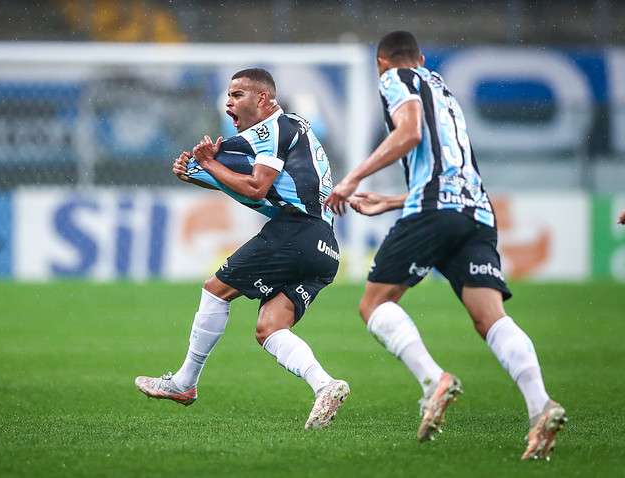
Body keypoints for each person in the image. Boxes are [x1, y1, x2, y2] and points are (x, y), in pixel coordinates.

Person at [325, 31, 566, 460]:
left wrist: (353, 178)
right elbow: (450, 166)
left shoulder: (396, 78)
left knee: (375, 302)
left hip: (435, 209)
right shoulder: (444, 89)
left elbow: (411, 133)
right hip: (477, 211)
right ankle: (540, 405)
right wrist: (394, 200)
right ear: (420, 57)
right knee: (490, 317)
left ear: (383, 62)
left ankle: (433, 380)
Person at [135, 68, 349, 430]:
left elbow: (256, 189)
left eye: (237, 95)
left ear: (262, 99)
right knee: (270, 328)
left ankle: (184, 383)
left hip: (296, 232)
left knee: (215, 291)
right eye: (228, 96)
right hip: (324, 247)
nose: (229, 102)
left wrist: (207, 165)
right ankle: (325, 385)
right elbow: (264, 195)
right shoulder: (290, 129)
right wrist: (204, 173)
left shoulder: (272, 128)